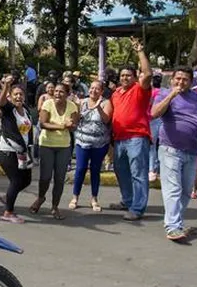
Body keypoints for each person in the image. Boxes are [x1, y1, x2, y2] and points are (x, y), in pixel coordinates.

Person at [151, 67, 197, 241]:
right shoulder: (164, 94)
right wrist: (172, 95)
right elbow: (154, 113)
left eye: (185, 79)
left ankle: (176, 222)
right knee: (173, 189)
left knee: (186, 190)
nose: (181, 82)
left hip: (192, 150)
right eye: (178, 79)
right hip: (170, 149)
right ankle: (173, 226)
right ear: (172, 80)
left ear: (192, 82)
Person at [109, 37, 153, 221]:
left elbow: (148, 74)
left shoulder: (139, 89)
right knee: (121, 171)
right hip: (119, 139)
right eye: (122, 75)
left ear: (135, 77)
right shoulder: (115, 94)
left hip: (137, 137)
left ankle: (138, 207)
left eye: (128, 75)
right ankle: (127, 200)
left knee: (138, 173)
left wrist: (140, 51)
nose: (125, 78)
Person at [31, 82, 77, 220]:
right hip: (47, 144)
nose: (57, 94)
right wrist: (63, 126)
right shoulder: (47, 104)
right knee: (45, 176)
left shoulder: (72, 106)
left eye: (61, 92)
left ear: (67, 94)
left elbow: (73, 126)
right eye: (56, 91)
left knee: (59, 178)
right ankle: (40, 198)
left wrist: (70, 125)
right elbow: (43, 124)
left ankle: (55, 206)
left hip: (64, 146)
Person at [69, 80, 112, 212]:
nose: (93, 91)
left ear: (101, 91)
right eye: (92, 88)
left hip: (100, 143)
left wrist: (98, 107)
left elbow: (106, 119)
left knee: (95, 170)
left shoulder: (106, 103)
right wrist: (75, 108)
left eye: (97, 89)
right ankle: (75, 197)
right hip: (82, 141)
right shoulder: (82, 102)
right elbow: (75, 121)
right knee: (80, 169)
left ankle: (94, 198)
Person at [0, 78, 33, 223]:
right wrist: (6, 86)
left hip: (22, 152)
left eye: (21, 94)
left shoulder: (26, 111)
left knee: (27, 180)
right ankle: (8, 212)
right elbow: (1, 103)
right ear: (10, 96)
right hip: (7, 151)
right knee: (16, 180)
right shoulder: (9, 109)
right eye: (15, 94)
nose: (18, 97)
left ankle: (8, 197)